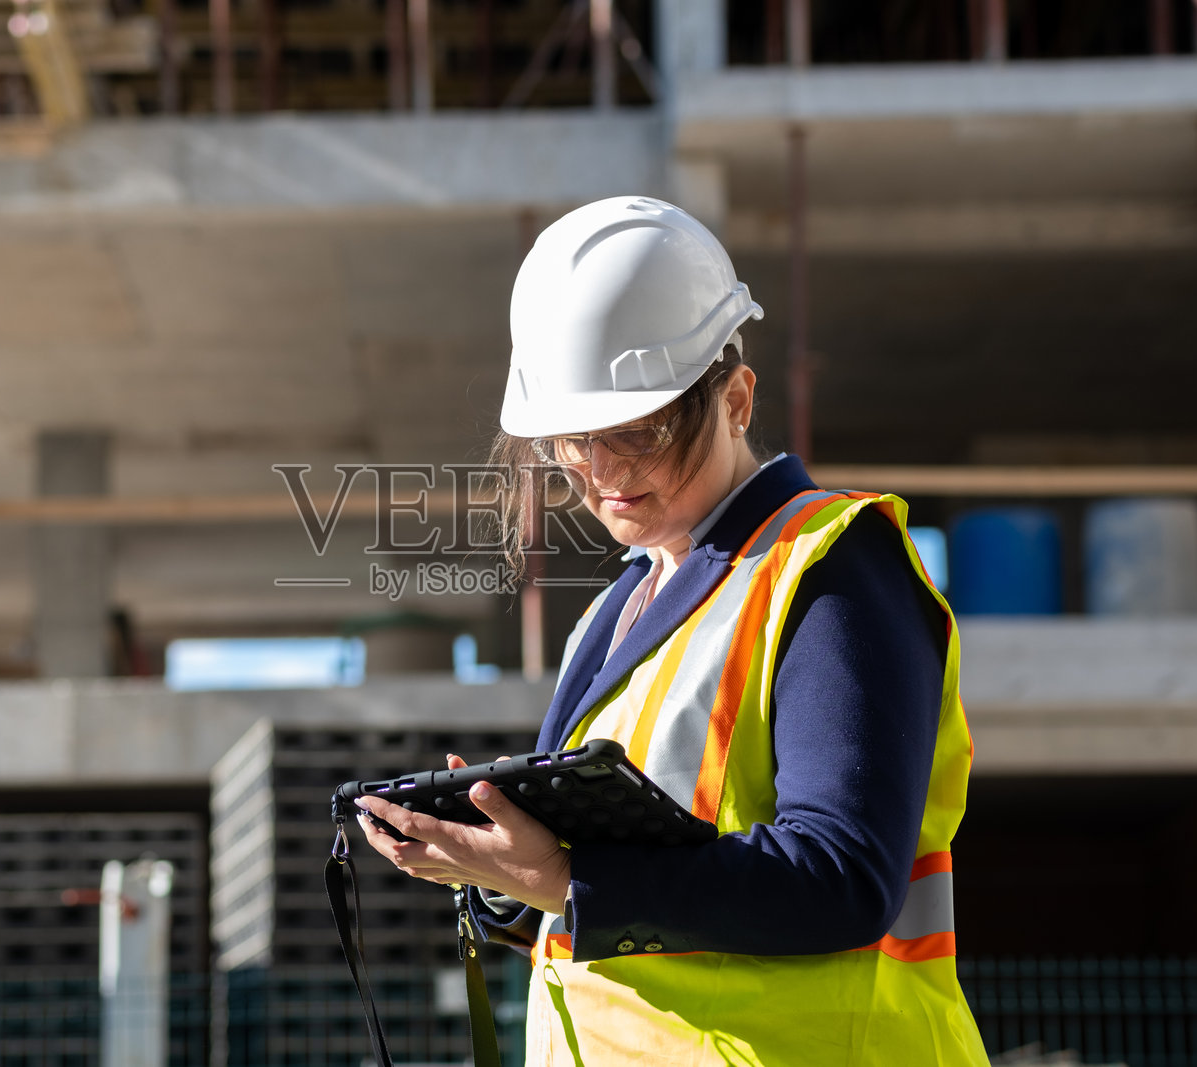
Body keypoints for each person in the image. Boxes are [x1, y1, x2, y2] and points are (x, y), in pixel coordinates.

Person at [354, 196, 989, 1065]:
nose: (602, 471)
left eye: (639, 431)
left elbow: (844, 878)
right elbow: (616, 909)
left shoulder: (833, 568)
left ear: (736, 398)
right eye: (573, 439)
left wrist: (565, 876)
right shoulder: (614, 613)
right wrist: (495, 867)